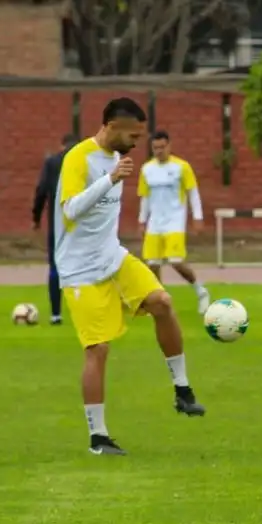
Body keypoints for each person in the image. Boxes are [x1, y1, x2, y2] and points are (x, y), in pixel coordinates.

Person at [55, 98, 206, 457]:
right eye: (134, 136)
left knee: (163, 301)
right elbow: (70, 210)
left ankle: (183, 391)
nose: (139, 143)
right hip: (79, 269)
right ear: (111, 126)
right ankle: (98, 438)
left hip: (113, 256)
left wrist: (114, 175)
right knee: (98, 349)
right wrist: (109, 179)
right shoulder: (79, 158)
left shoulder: (118, 159)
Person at [137, 130, 211, 314]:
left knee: (175, 261)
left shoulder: (181, 167)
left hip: (175, 222)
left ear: (169, 146)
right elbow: (145, 197)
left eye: (162, 147)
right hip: (155, 222)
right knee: (152, 264)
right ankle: (160, 302)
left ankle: (201, 291)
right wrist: (142, 220)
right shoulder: (147, 169)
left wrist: (198, 217)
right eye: (155, 148)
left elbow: (193, 192)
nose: (159, 151)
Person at [33, 134, 77, 325]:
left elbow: (41, 190)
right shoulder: (85, 161)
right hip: (81, 225)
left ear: (61, 145)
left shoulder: (52, 163)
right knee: (83, 267)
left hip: (58, 225)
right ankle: (83, 310)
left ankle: (56, 314)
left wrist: (36, 218)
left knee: (55, 267)